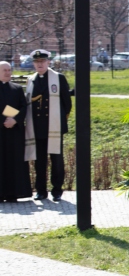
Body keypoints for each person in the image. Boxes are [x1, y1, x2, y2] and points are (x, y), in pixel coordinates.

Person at [23, 49, 71, 202]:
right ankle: (41, 190)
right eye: (37, 62)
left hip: (54, 126)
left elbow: (67, 103)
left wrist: (61, 121)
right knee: (39, 161)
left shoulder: (58, 78)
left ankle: (57, 190)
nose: (40, 64)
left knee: (56, 160)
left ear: (48, 62)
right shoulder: (31, 80)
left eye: (42, 61)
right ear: (34, 64)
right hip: (37, 127)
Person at [0, 62, 31, 202]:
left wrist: (14, 120)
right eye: (4, 70)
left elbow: (23, 107)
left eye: (9, 70)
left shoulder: (17, 88)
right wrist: (5, 120)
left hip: (14, 133)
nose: (7, 72)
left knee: (14, 162)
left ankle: (14, 193)